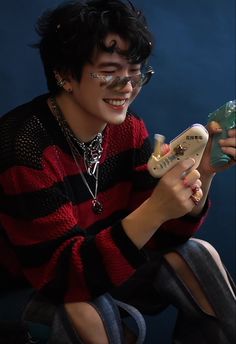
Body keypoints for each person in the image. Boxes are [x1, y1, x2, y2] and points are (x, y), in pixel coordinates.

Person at [0, 0, 235, 343]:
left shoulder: (128, 130)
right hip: (32, 287)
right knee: (89, 313)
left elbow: (163, 236)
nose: (127, 86)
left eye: (136, 71)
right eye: (109, 71)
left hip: (101, 269)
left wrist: (202, 174)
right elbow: (62, 277)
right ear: (65, 74)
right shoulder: (23, 148)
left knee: (197, 255)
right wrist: (156, 208)